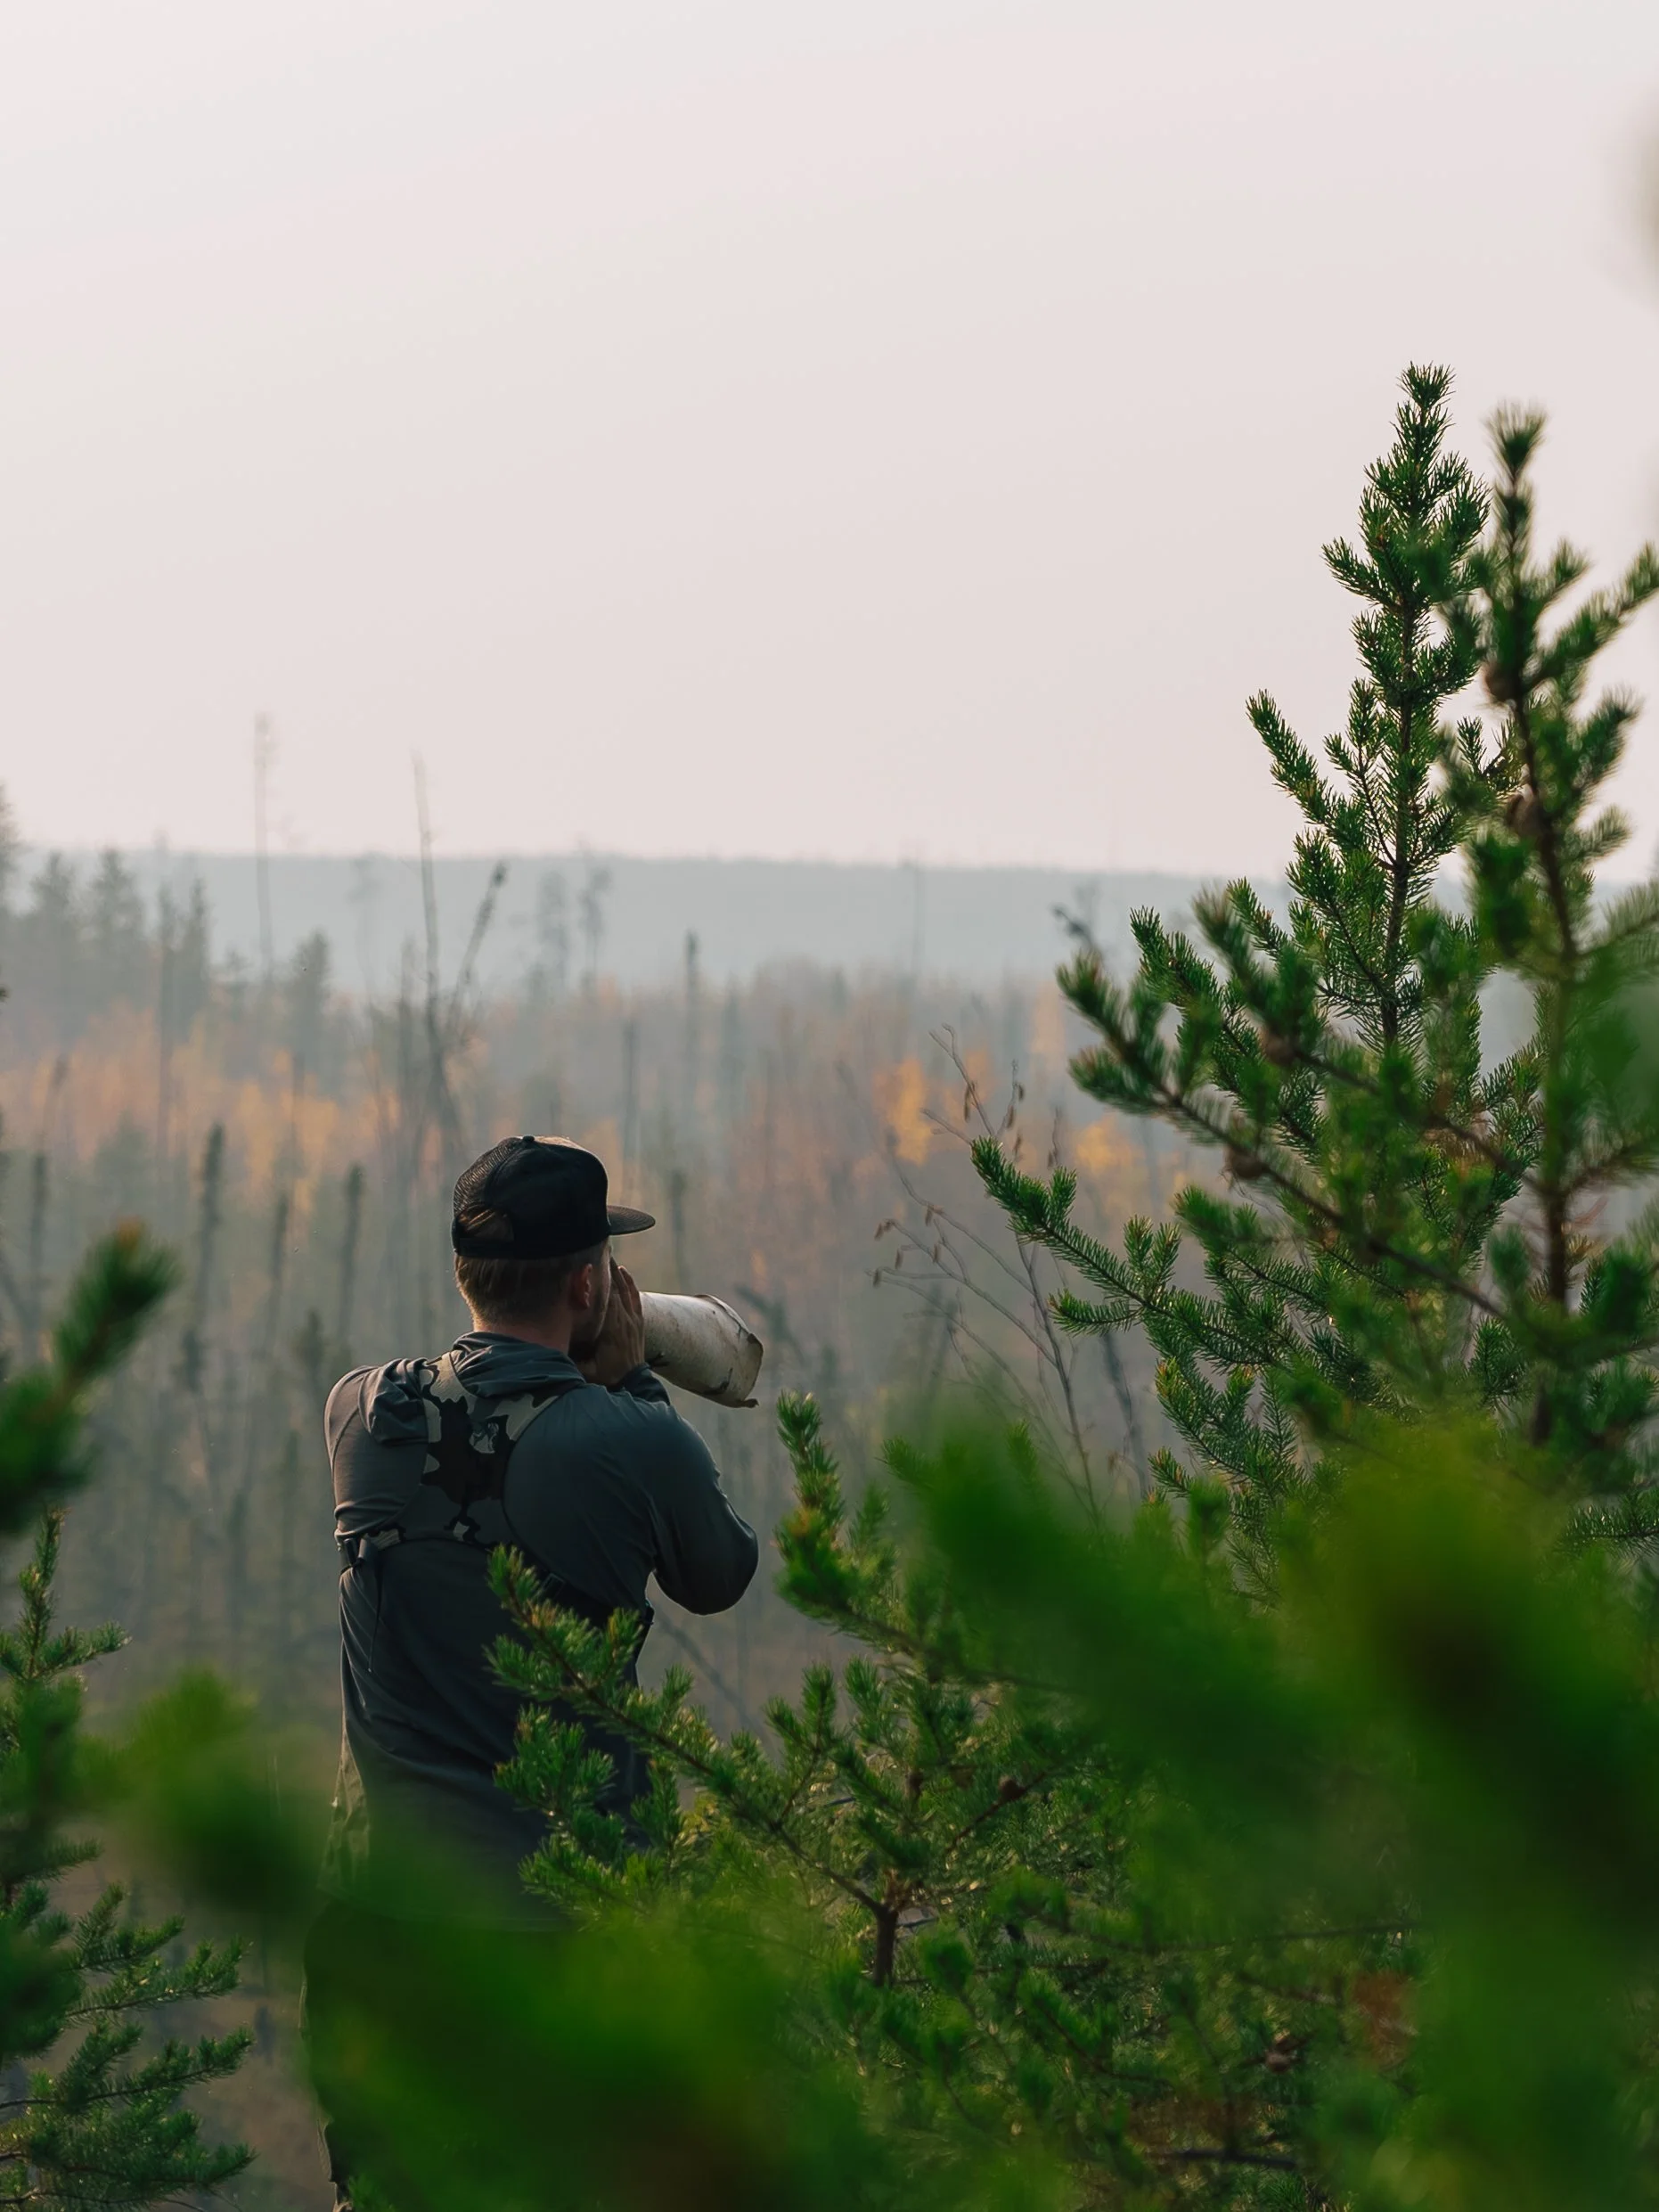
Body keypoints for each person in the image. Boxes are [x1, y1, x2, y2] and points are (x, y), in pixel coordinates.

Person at [304, 1135, 758, 2208]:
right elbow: (721, 1571)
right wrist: (636, 1377)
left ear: (465, 1273)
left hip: (380, 1924)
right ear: (589, 1281)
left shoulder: (358, 1412)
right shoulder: (626, 1435)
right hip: (561, 1927)